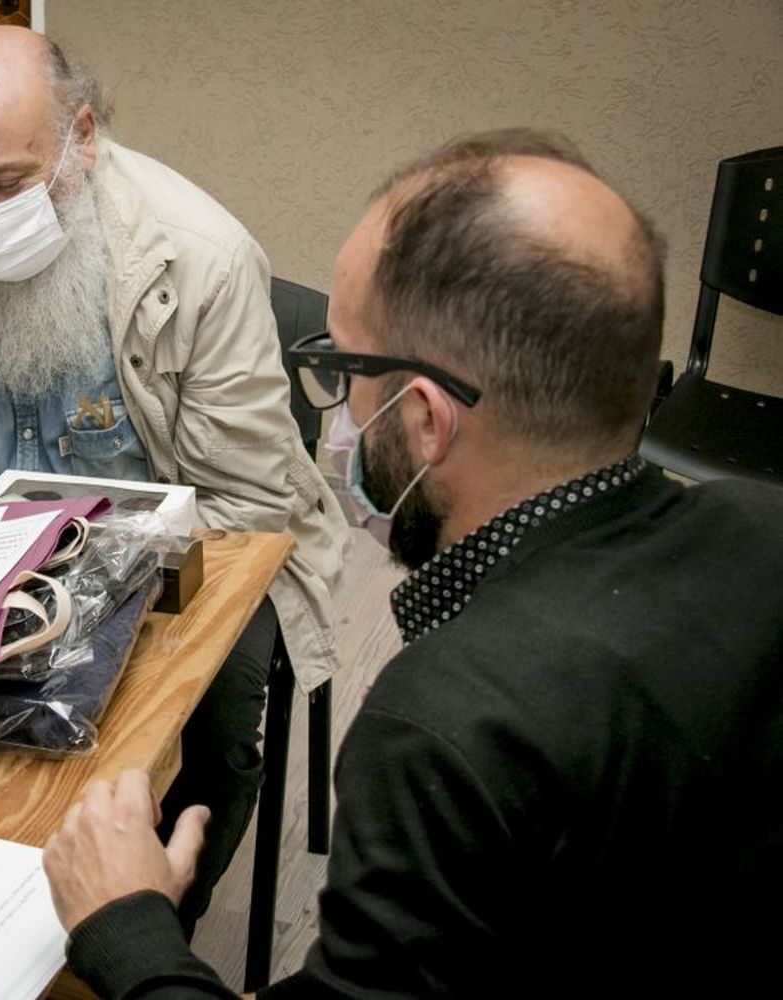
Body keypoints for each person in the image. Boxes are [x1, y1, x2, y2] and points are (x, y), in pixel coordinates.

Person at [42, 128, 783, 997]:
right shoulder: (764, 523)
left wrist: (125, 921)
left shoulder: (449, 726)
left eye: (345, 366)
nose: (338, 408)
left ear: (426, 421)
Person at [0, 24, 346, 927]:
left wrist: (100, 624)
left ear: (85, 136)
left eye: (8, 182)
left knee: (213, 753)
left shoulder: (197, 255)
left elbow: (247, 509)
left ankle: (143, 941)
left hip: (175, 573)